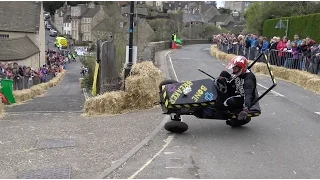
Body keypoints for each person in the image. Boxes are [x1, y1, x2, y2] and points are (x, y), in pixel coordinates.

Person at [219, 55, 258, 120]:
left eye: (235, 68)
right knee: (224, 73)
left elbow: (248, 95)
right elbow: (231, 79)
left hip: (244, 97)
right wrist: (223, 78)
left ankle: (233, 112)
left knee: (228, 102)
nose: (233, 70)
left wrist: (246, 109)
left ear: (242, 68)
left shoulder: (248, 79)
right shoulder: (240, 73)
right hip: (238, 90)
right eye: (233, 68)